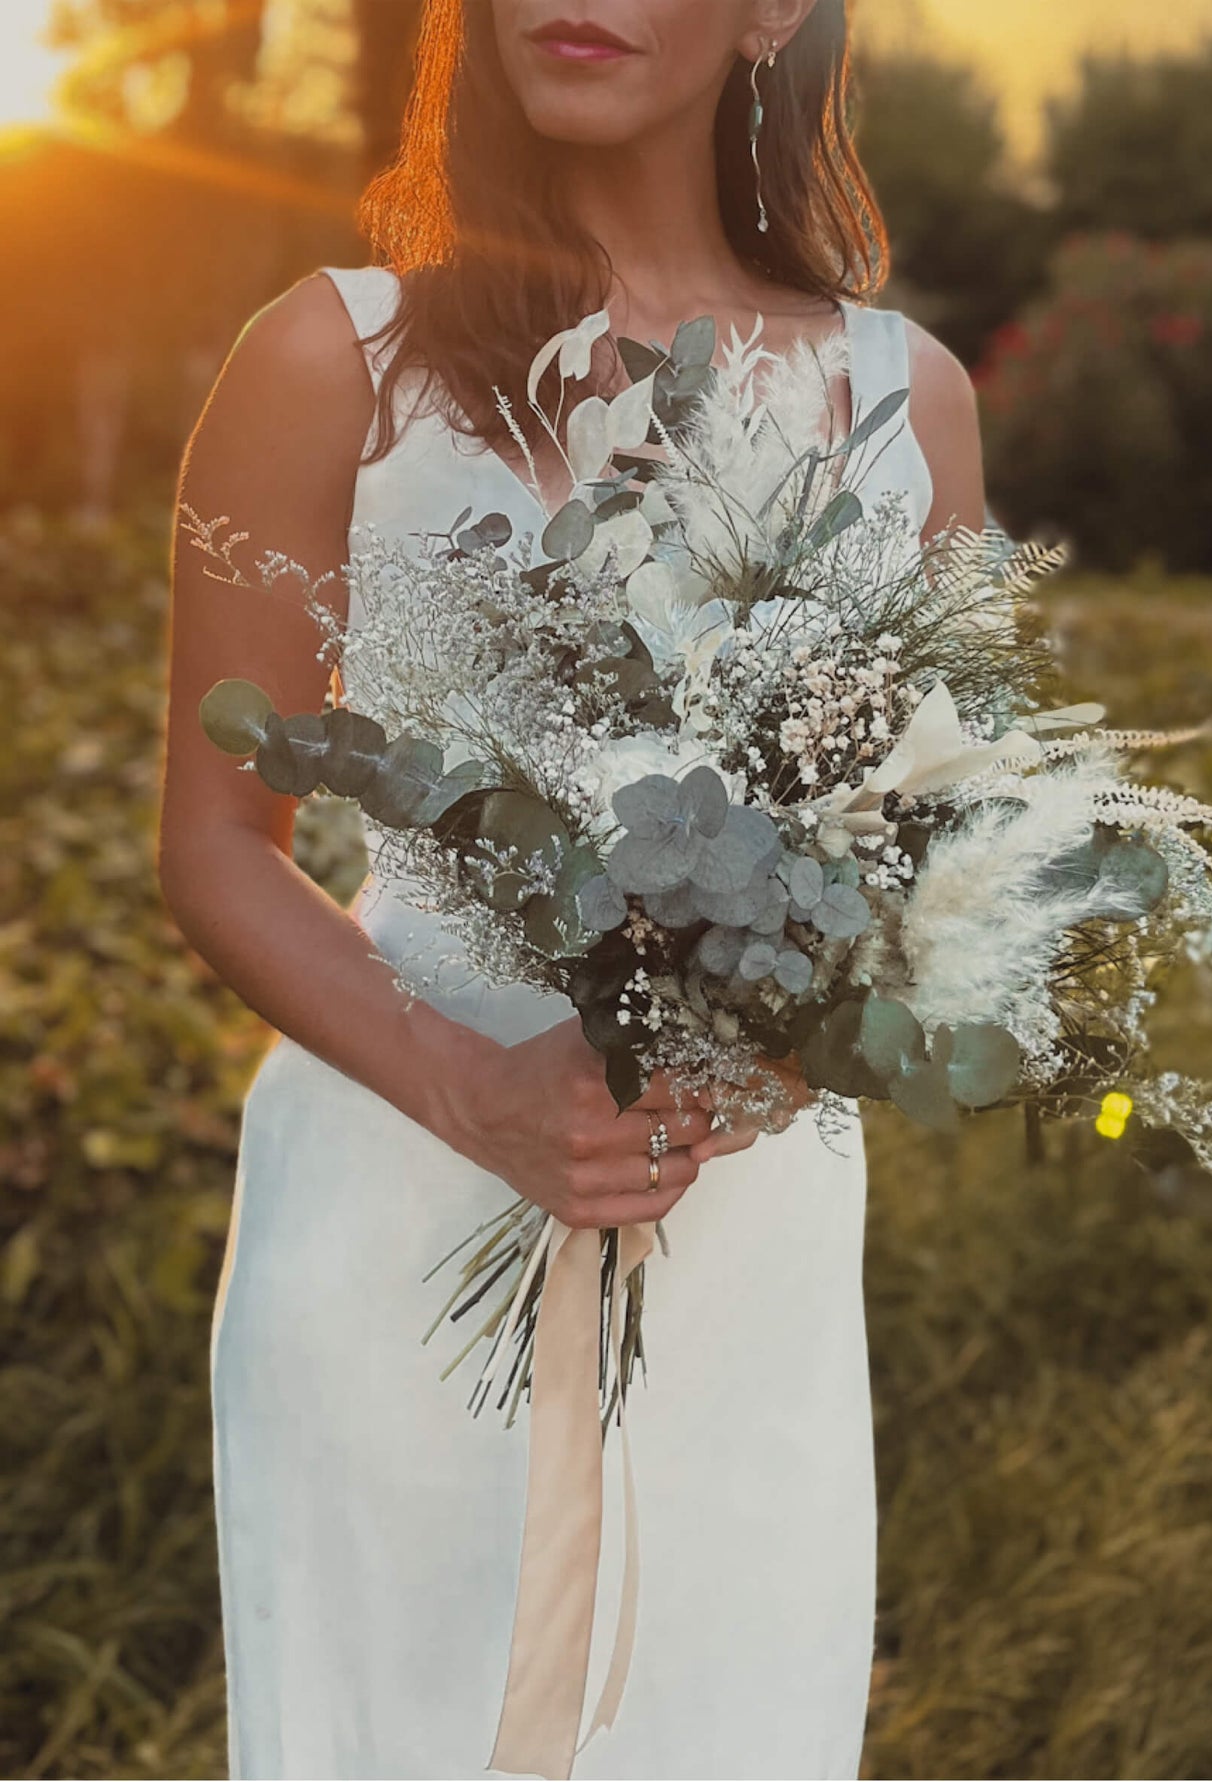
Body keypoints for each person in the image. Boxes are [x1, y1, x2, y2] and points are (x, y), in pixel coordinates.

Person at [158, 1, 985, 1776]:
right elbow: (218, 841)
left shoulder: (908, 402)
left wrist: (794, 1035)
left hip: (741, 1244)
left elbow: (928, 849)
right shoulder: (330, 360)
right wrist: (475, 1086)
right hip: (393, 1201)